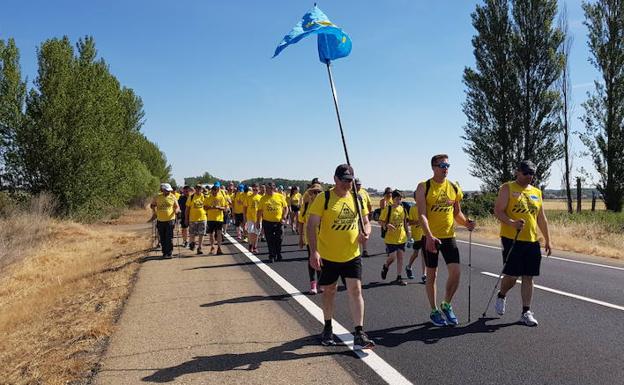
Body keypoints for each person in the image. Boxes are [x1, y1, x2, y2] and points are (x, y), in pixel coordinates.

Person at [307, 164, 375, 349]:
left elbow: (367, 222)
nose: (348, 184)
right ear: (335, 179)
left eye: (350, 180)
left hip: (352, 255)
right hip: (329, 255)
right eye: (344, 180)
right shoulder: (324, 198)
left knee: (356, 291)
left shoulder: (357, 198)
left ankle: (359, 332)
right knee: (329, 291)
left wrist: (366, 233)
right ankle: (328, 328)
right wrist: (314, 251)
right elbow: (311, 225)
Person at [415, 154, 475, 326]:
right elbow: (422, 215)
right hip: (430, 237)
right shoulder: (424, 187)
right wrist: (428, 235)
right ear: (433, 167)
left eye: (448, 165)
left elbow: (457, 213)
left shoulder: (454, 187)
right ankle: (434, 311)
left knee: (456, 273)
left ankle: (446, 304)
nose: (445, 168)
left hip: (449, 236)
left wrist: (466, 223)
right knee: (432, 275)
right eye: (442, 165)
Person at [493, 160, 552, 326]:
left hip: (532, 240)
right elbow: (498, 211)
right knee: (512, 277)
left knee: (529, 276)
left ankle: (526, 312)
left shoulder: (536, 192)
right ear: (517, 172)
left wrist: (548, 239)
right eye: (525, 173)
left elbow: (541, 218)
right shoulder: (508, 188)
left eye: (531, 173)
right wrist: (511, 222)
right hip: (512, 238)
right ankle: (502, 295)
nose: (529, 176)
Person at [379, 190, 409, 286]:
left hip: (401, 237)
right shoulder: (388, 209)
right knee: (392, 257)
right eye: (397, 199)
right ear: (392, 199)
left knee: (400, 257)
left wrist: (408, 233)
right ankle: (386, 266)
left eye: (400, 199)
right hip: (391, 238)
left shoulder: (402, 208)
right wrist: (387, 225)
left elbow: (405, 222)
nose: (399, 201)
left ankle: (399, 277)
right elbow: (380, 221)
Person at [297, 183, 323, 294]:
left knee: (322, 262)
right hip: (310, 238)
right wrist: (301, 238)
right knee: (312, 259)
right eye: (313, 192)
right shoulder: (306, 205)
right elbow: (302, 222)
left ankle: (321, 283)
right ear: (310, 194)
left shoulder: (324, 205)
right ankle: (313, 284)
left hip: (323, 238)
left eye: (318, 192)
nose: (316, 194)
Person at [256, 182, 289, 262]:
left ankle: (278, 253)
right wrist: (258, 221)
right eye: (267, 188)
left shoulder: (280, 196)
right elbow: (260, 211)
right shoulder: (263, 198)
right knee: (270, 240)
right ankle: (272, 255)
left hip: (279, 222)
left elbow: (286, 208)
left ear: (273, 188)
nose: (268, 190)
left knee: (279, 239)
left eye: (270, 188)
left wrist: (284, 217)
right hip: (267, 222)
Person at [150, 183, 180, 258]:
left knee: (169, 237)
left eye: (169, 190)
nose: (168, 191)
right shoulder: (157, 197)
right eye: (167, 190)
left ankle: (169, 253)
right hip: (160, 220)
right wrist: (154, 212)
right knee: (162, 237)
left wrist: (176, 211)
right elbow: (152, 205)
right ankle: (164, 252)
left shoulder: (172, 196)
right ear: (163, 190)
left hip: (170, 220)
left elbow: (177, 206)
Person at [405, 190, 426, 283]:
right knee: (416, 254)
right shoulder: (413, 208)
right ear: (415, 198)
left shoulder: (426, 207)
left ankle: (424, 275)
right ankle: (408, 267)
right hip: (416, 235)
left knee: (424, 254)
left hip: (425, 234)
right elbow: (409, 222)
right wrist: (417, 222)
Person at [206, 185, 229, 255]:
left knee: (219, 233)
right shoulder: (208, 197)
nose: (214, 193)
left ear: (217, 191)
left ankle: (219, 248)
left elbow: (225, 208)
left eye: (215, 192)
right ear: (211, 191)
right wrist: (210, 207)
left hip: (219, 218)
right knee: (211, 233)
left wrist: (219, 207)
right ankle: (212, 246)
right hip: (210, 218)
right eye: (213, 192)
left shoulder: (221, 197)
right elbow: (204, 207)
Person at [186, 184, 208, 255]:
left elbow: (207, 207)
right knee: (192, 234)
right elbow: (187, 209)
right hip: (192, 219)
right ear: (195, 189)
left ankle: (199, 248)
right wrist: (186, 218)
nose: (198, 190)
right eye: (197, 188)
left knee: (201, 234)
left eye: (200, 188)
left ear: (202, 189)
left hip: (202, 218)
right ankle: (192, 243)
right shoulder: (191, 197)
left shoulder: (204, 197)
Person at [355, 178, 372, 257]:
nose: (358, 186)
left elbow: (369, 204)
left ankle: (364, 249)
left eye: (359, 185)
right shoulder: (350, 193)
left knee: (363, 231)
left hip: (363, 214)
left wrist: (369, 213)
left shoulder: (364, 192)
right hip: (354, 215)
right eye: (356, 185)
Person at [244, 183, 262, 253]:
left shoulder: (260, 198)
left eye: (256, 189)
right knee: (250, 232)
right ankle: (250, 245)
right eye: (253, 189)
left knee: (256, 233)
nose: (255, 191)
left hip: (258, 218)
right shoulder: (248, 197)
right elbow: (245, 208)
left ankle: (255, 246)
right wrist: (245, 217)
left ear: (259, 190)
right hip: (250, 217)